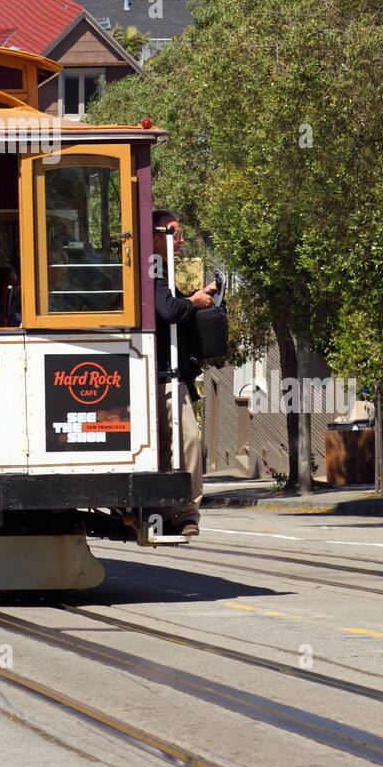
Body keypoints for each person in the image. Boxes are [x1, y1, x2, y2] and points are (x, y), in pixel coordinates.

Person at [153, 210, 218, 538]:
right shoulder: (154, 265)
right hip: (162, 373)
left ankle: (176, 511)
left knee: (175, 444)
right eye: (174, 234)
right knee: (185, 440)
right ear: (156, 234)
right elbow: (167, 310)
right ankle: (182, 510)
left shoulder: (161, 267)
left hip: (169, 372)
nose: (180, 241)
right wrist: (192, 302)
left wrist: (195, 297)